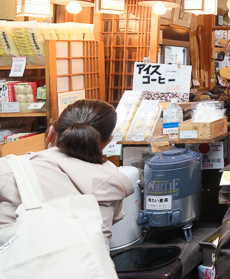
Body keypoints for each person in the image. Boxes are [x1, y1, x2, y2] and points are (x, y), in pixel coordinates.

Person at [0, 99, 134, 246]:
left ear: (51, 133)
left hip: (15, 266)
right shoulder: (112, 182)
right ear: (106, 144)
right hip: (86, 268)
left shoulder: (10, 169)